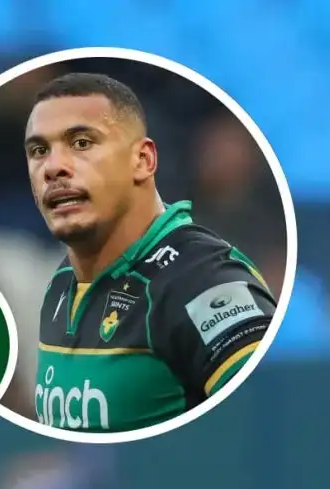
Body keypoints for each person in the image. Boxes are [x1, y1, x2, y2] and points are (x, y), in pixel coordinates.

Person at [25, 72, 277, 433]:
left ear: (142, 160)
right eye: (39, 151)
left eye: (81, 143)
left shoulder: (200, 280)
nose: (53, 167)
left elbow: (271, 439)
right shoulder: (61, 282)